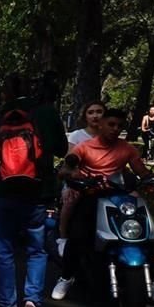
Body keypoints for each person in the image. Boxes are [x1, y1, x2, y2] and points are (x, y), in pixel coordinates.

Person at [52, 108, 154, 304]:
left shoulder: (127, 149)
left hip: (119, 197)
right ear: (101, 124)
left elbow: (142, 172)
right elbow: (68, 165)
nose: (115, 129)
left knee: (146, 234)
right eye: (111, 124)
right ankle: (66, 276)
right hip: (91, 195)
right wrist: (70, 174)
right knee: (78, 235)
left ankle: (153, 281)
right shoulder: (84, 147)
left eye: (119, 126)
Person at [0, 73, 68, 307]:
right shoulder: (47, 114)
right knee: (37, 250)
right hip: (39, 194)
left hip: (6, 194)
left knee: (4, 251)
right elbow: (63, 149)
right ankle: (32, 305)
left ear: (5, 93)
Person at [58, 100, 107, 255]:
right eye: (91, 112)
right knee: (70, 201)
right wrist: (73, 179)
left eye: (99, 112)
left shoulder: (110, 135)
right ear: (85, 116)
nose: (95, 116)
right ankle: (63, 236)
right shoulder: (77, 136)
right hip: (80, 182)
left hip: (106, 182)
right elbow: (69, 162)